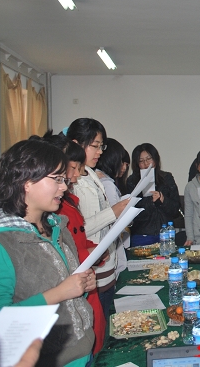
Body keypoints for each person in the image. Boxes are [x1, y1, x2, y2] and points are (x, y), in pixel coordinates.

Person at [0, 138, 95, 367]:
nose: (64, 186)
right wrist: (59, 293)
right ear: (26, 182)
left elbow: (70, 292)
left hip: (84, 350)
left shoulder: (56, 227)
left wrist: (83, 285)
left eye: (64, 179)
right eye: (56, 179)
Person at [43, 131, 106, 354]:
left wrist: (95, 249)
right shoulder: (1, 239)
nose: (75, 177)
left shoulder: (63, 204)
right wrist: (91, 252)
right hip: (66, 314)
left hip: (84, 290)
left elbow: (75, 240)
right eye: (72, 169)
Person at [66, 118, 128, 322]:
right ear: (76, 144)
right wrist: (113, 212)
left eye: (102, 146)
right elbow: (76, 230)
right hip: (93, 271)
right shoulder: (71, 182)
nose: (100, 152)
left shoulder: (92, 173)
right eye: (95, 146)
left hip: (108, 266)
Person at [127, 143, 181, 247]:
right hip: (142, 234)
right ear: (137, 164)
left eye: (149, 159)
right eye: (141, 161)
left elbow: (176, 209)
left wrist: (163, 200)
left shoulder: (166, 178)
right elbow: (132, 212)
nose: (146, 163)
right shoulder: (132, 181)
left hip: (165, 233)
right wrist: (150, 201)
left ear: (155, 159)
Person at [96, 138, 131, 277]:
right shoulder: (107, 184)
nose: (123, 167)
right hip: (109, 252)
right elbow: (115, 218)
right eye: (121, 162)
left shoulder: (103, 180)